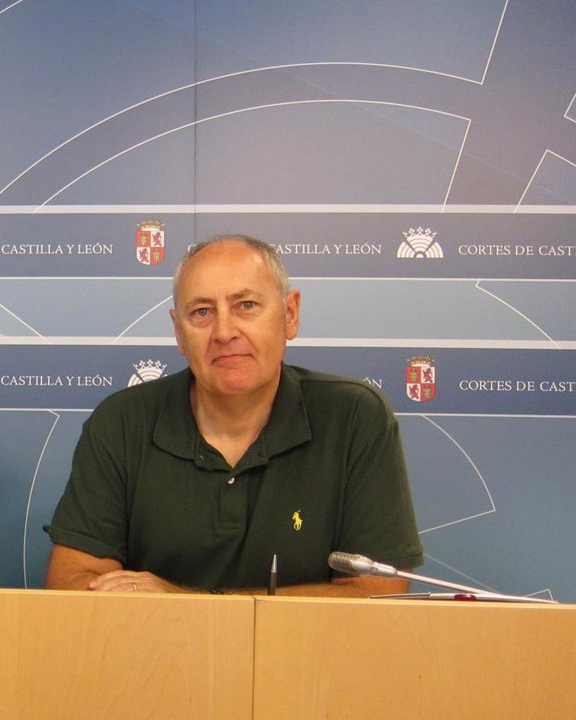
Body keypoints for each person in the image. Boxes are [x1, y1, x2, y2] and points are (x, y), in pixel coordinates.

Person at [45, 235, 422, 596]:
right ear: (179, 333)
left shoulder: (354, 416)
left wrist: (188, 603)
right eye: (202, 312)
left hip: (302, 645)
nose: (224, 332)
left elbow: (375, 594)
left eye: (246, 306)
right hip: (155, 643)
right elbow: (72, 581)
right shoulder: (122, 421)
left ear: (289, 315)